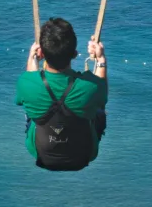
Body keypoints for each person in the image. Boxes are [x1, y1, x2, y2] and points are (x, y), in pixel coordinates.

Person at [13, 17, 107, 171]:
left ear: (42, 52)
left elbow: (31, 77)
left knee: (30, 104)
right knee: (98, 107)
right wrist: (101, 60)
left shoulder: (26, 82)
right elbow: (102, 97)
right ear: (75, 54)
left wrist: (32, 57)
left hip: (40, 152)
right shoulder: (91, 86)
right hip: (84, 155)